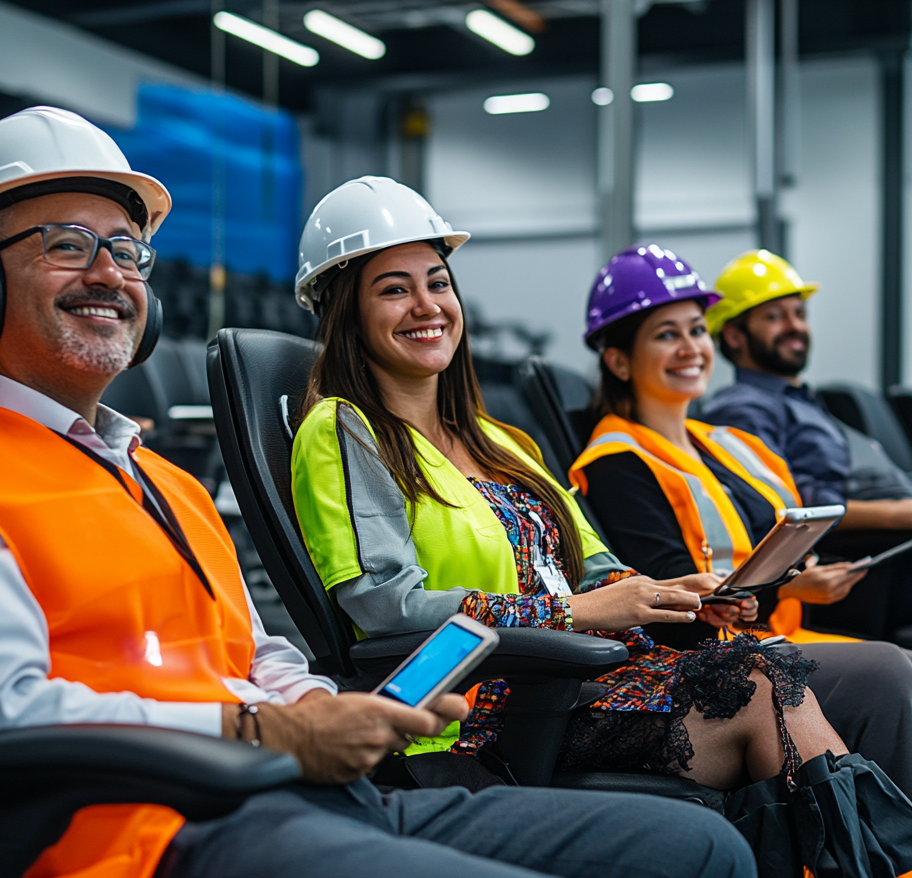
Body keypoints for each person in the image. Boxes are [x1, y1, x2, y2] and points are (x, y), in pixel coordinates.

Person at [0, 112, 759, 878]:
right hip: (151, 847)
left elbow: (256, 650)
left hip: (306, 795)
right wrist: (262, 733)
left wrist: (314, 706)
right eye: (69, 245)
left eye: (129, 251)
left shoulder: (165, 481)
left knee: (703, 860)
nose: (110, 272)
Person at [290, 177, 861, 804]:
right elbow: (385, 606)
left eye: (438, 283)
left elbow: (594, 567)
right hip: (480, 711)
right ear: (346, 310)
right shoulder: (342, 428)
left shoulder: (499, 441)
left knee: (773, 678)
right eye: (394, 290)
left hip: (580, 675)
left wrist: (669, 598)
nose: (427, 305)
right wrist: (573, 614)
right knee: (764, 689)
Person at [567, 245, 912, 796]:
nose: (691, 347)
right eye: (666, 334)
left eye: (697, 330)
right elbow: (670, 596)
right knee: (893, 673)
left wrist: (800, 579)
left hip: (774, 632)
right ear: (618, 360)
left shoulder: (729, 445)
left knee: (899, 669)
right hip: (720, 652)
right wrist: (788, 589)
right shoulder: (616, 462)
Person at [701, 249, 912, 638]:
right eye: (774, 317)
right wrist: (903, 514)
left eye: (799, 314)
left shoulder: (799, 399)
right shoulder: (741, 409)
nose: (794, 325)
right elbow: (791, 509)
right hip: (852, 564)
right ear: (733, 334)